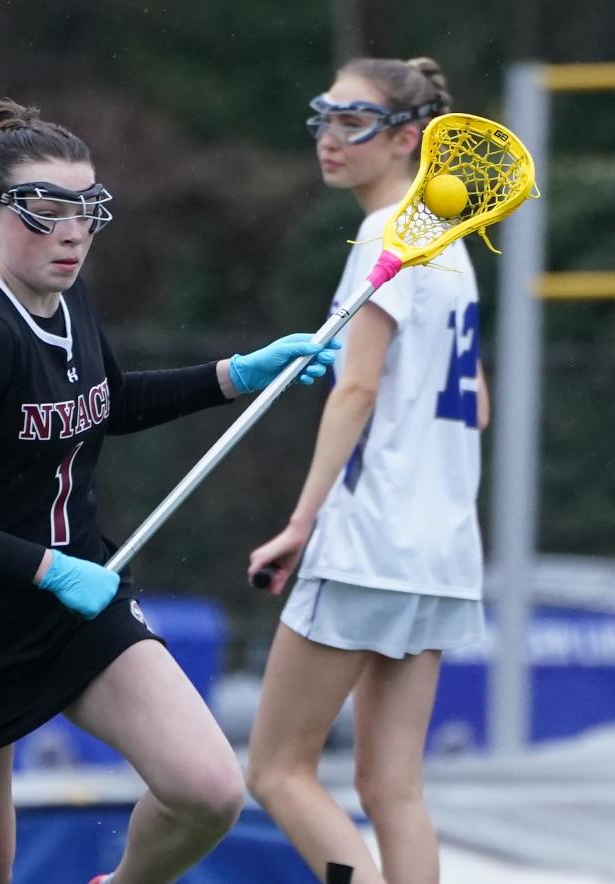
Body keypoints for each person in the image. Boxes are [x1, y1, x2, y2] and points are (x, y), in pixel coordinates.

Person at [0, 98, 339, 884]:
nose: (72, 231)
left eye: (86, 210)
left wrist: (241, 374)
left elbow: (109, 402)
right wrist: (49, 570)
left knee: (207, 792)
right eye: (47, 210)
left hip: (79, 607)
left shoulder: (70, 297)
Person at [245, 58, 487, 884]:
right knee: (394, 789)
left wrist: (300, 524)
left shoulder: (387, 234)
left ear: (407, 139)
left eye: (355, 121)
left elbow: (356, 387)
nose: (330, 137)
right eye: (324, 117)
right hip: (443, 552)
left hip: (370, 540)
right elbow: (477, 404)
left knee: (276, 770)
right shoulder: (450, 247)